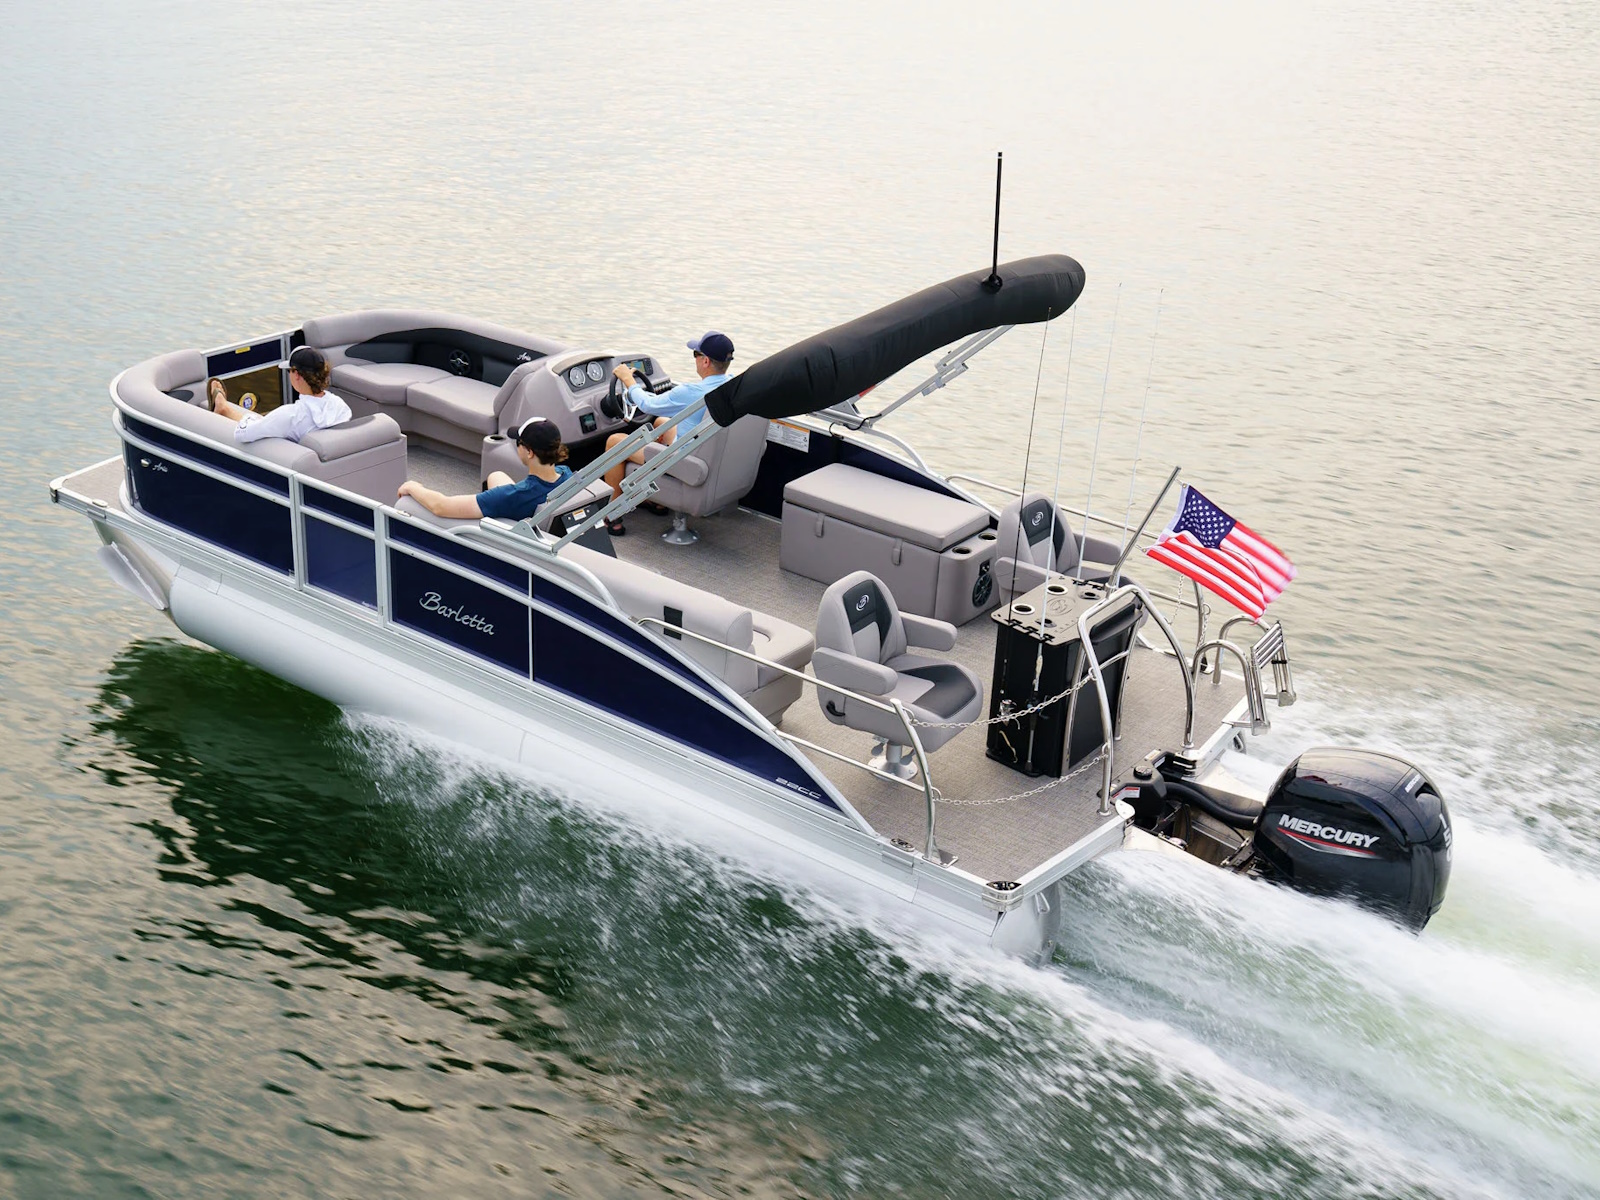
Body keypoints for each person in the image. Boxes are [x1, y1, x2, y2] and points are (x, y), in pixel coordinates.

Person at [601, 331, 733, 535]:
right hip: (711, 457)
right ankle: (657, 501)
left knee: (615, 442)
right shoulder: (733, 385)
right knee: (662, 422)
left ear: (705, 361)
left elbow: (647, 404)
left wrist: (629, 381)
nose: (695, 359)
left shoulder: (691, 392)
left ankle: (613, 513)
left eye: (696, 354)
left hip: (686, 463)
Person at [398, 418, 572, 521]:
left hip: (506, 530)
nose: (516, 446)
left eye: (518, 443)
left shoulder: (513, 496)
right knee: (496, 476)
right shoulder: (567, 475)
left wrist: (413, 487)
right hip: (528, 513)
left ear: (530, 452)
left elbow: (441, 506)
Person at [210, 346, 352, 443]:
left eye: (289, 371)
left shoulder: (289, 415)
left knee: (260, 422)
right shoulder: (341, 406)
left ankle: (223, 407)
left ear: (296, 375)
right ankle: (224, 409)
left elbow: (243, 434)